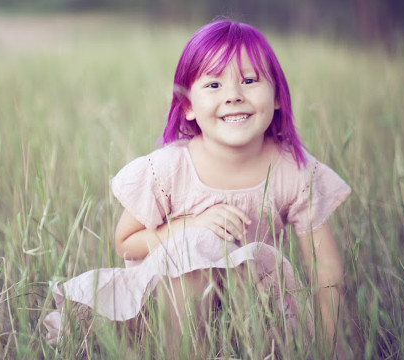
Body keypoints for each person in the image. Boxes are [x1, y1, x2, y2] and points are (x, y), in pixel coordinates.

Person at [44, 17, 352, 358]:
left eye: (249, 81)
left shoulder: (294, 171)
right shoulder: (170, 168)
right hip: (174, 307)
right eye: (214, 85)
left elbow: (324, 269)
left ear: (277, 96)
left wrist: (329, 342)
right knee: (196, 245)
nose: (234, 96)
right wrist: (191, 225)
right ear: (188, 105)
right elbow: (126, 244)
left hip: (253, 306)